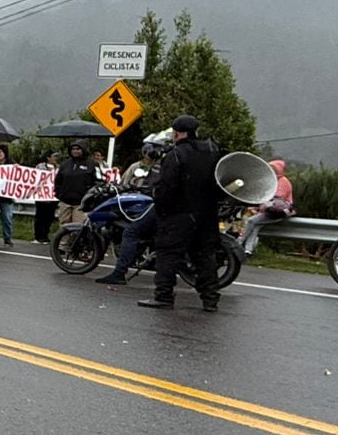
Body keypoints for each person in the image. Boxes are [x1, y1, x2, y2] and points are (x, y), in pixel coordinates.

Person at [140, 114, 222, 312]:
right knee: (205, 258)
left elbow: (167, 188)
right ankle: (210, 300)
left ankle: (164, 296)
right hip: (207, 215)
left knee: (168, 255)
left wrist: (160, 206)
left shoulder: (175, 155)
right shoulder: (213, 151)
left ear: (177, 133)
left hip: (179, 215)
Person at [95, 137, 166, 286]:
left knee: (131, 231)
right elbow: (125, 182)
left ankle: (119, 273)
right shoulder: (138, 167)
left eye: (151, 152)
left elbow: (154, 187)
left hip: (151, 205)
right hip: (144, 203)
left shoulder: (160, 167)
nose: (149, 155)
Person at [239, 160, 294, 256]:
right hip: (272, 211)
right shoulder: (275, 181)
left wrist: (258, 208)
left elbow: (274, 200)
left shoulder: (282, 182)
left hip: (277, 212)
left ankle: (237, 244)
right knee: (255, 226)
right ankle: (248, 250)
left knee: (251, 221)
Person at [52, 140, 98, 235]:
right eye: (73, 149)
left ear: (83, 150)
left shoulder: (91, 164)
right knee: (64, 225)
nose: (75, 151)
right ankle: (61, 247)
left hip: (81, 203)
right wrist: (59, 194)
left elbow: (96, 182)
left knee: (78, 226)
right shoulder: (65, 164)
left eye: (78, 149)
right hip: (65, 201)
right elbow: (58, 180)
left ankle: (77, 247)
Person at [32, 151, 61, 242]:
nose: (56, 158)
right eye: (54, 156)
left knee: (49, 217)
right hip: (42, 196)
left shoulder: (58, 168)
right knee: (40, 216)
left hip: (52, 197)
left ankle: (45, 235)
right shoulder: (40, 166)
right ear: (48, 158)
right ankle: (38, 236)